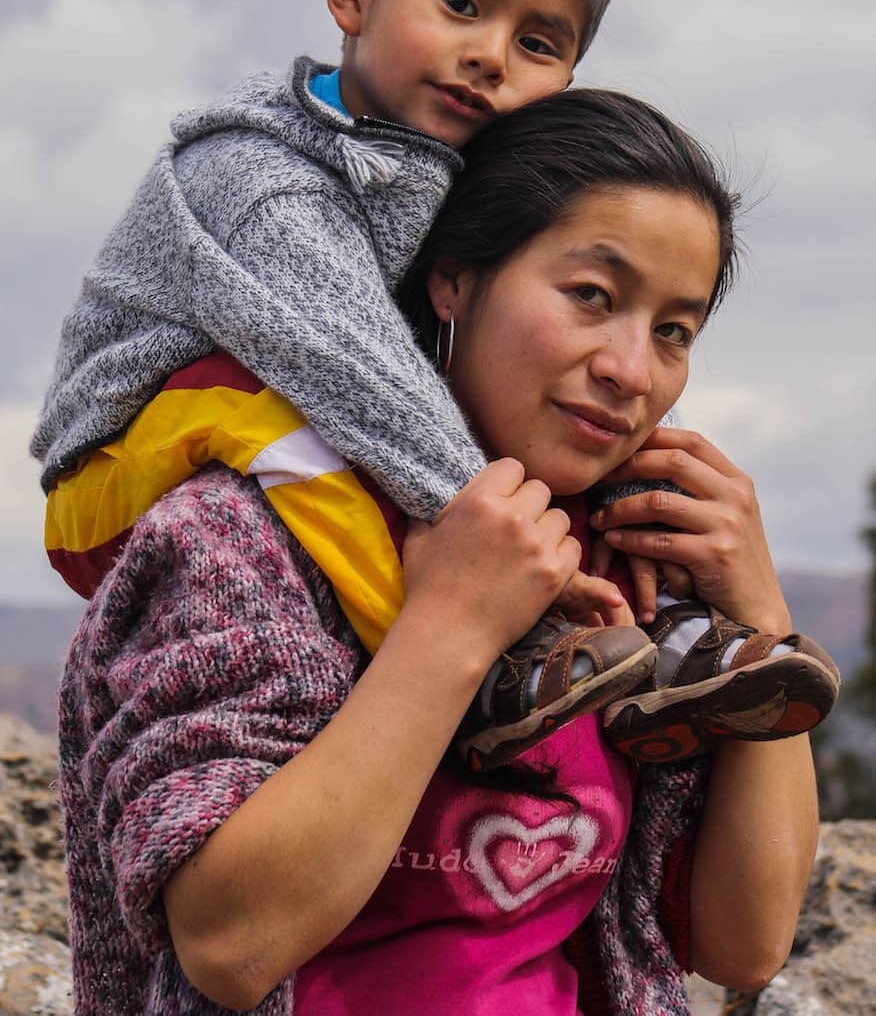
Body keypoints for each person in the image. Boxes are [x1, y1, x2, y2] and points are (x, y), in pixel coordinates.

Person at [32, 0, 837, 771]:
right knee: (280, 411)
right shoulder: (258, 178)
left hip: (298, 414)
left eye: (538, 44)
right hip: (119, 467)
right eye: (460, 4)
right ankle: (497, 667)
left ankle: (683, 647)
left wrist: (640, 495)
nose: (491, 56)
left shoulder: (434, 180)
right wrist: (509, 550)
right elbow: (363, 374)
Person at [60, 90, 821, 1015]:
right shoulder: (245, 537)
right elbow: (231, 943)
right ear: (452, 278)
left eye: (673, 330)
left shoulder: (637, 573)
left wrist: (760, 622)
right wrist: (453, 624)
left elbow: (745, 945)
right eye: (592, 296)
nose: (631, 368)